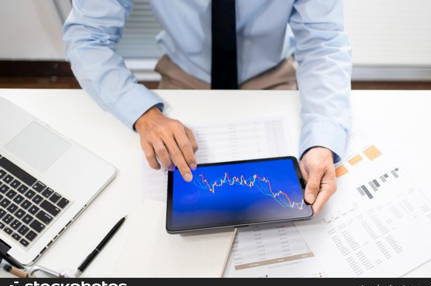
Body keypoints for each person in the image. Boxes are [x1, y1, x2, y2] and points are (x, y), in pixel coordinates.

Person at [63, 0, 352, 213]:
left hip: (271, 76)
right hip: (184, 77)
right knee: (155, 205)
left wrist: (322, 141)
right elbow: (87, 36)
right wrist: (142, 113)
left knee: (286, 201)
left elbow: (323, 44)